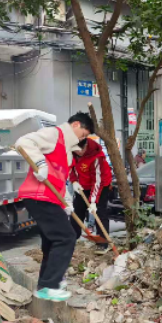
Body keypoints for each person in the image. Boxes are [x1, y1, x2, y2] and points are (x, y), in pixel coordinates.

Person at [16, 112, 94, 302]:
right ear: (76, 125)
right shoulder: (54, 134)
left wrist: (67, 203)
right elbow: (22, 142)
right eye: (83, 134)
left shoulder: (66, 150)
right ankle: (50, 285)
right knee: (66, 237)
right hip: (39, 195)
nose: (82, 138)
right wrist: (40, 163)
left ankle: (46, 283)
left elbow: (59, 181)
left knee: (51, 241)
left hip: (50, 197)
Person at [69, 137, 114, 250]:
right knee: (77, 209)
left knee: (99, 211)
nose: (79, 152)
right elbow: (70, 168)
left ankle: (103, 242)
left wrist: (93, 202)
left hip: (101, 184)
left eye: (81, 149)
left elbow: (97, 181)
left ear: (86, 146)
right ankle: (72, 237)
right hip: (82, 185)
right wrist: (74, 181)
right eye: (76, 149)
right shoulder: (71, 153)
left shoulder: (96, 156)